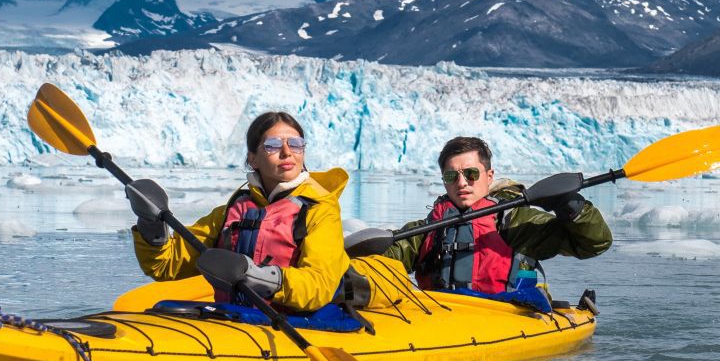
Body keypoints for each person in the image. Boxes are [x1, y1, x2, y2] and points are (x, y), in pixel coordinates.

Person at [127, 111, 349, 311]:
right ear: (252, 158)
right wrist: (151, 224)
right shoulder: (230, 212)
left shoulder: (319, 210)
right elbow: (166, 265)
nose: (286, 152)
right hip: (235, 321)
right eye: (272, 145)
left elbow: (318, 286)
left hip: (294, 324)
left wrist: (256, 275)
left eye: (296, 144)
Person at [382, 136, 612, 294]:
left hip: (502, 312)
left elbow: (594, 243)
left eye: (471, 173)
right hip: (442, 314)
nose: (462, 183)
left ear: (489, 175)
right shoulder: (430, 227)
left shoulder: (514, 222)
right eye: (452, 176)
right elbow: (386, 257)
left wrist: (569, 205)